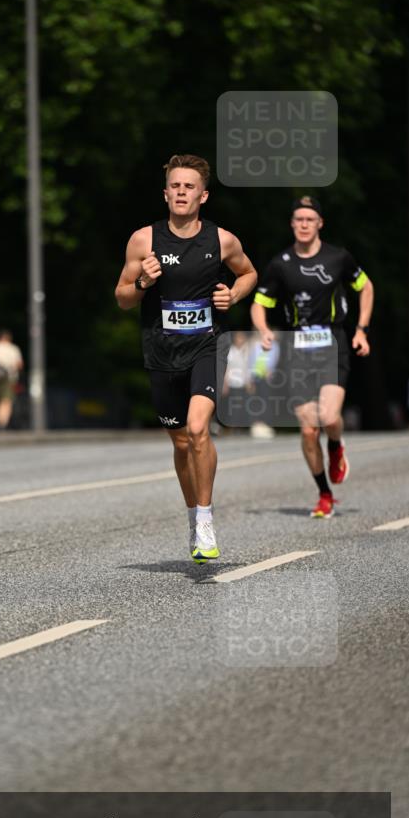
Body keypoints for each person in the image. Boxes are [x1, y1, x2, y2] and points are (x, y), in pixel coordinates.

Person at [115, 154, 257, 562]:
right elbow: (123, 298)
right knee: (181, 442)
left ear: (203, 195)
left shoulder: (221, 240)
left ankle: (207, 519)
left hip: (207, 345)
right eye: (175, 186)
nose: (181, 192)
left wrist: (234, 294)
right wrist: (143, 281)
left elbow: (248, 273)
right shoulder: (144, 240)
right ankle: (193, 515)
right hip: (161, 351)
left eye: (189, 186)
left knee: (198, 430)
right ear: (165, 194)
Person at [250, 195, 374, 517]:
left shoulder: (339, 258)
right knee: (308, 429)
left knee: (330, 418)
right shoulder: (280, 264)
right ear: (292, 224)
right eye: (298, 219)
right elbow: (260, 303)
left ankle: (335, 447)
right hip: (298, 350)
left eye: (310, 219)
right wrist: (262, 329)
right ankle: (324, 495)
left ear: (320, 223)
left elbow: (366, 287)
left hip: (333, 343)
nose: (304, 224)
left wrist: (361, 329)